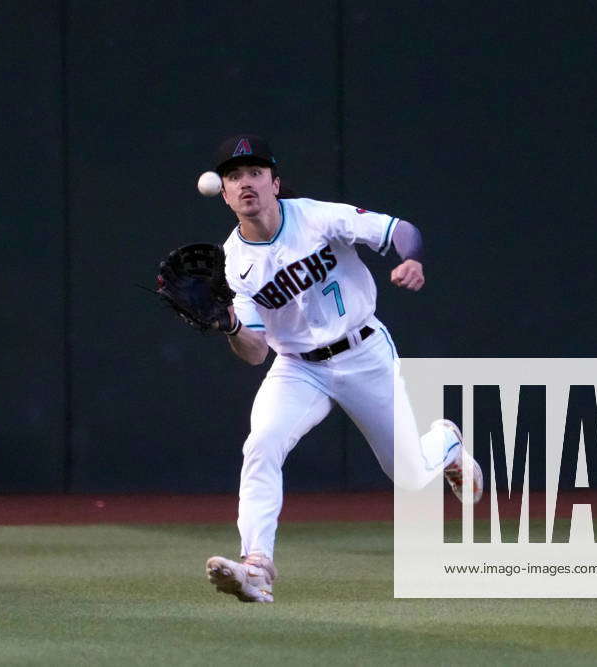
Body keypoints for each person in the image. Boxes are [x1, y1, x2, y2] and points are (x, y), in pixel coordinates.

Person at [204, 135, 483, 603]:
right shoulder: (233, 263)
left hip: (363, 353)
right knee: (262, 445)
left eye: (255, 172)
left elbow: (401, 230)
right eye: (234, 176)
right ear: (226, 194)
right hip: (297, 367)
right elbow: (255, 354)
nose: (245, 182)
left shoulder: (316, 216)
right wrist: (230, 324)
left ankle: (446, 443)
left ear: (276, 182)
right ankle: (256, 566)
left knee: (410, 476)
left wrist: (411, 258)